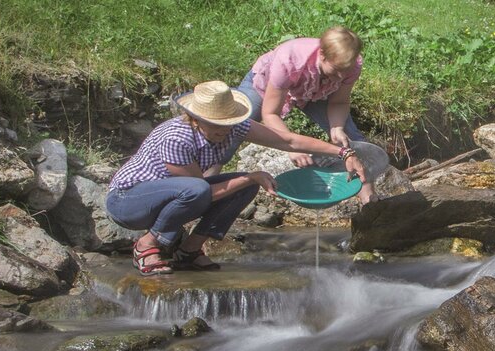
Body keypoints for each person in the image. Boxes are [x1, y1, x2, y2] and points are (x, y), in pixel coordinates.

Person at [106, 80, 367, 276]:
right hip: (128, 202)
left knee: (244, 187)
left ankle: (189, 250)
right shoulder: (178, 136)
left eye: (228, 122)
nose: (225, 129)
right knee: (222, 185)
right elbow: (200, 192)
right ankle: (147, 244)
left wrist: (343, 152)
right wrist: (250, 178)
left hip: (181, 194)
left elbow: (288, 140)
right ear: (196, 119)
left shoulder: (235, 127)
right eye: (216, 123)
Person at [236, 26, 378, 204]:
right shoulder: (289, 60)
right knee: (233, 126)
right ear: (322, 55)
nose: (341, 76)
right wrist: (291, 149)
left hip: (316, 91)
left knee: (351, 139)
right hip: (268, 84)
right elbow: (270, 113)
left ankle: (370, 201)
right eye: (336, 70)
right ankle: (207, 187)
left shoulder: (350, 65)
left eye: (345, 71)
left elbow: (339, 102)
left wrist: (337, 127)